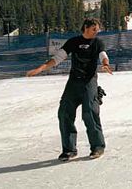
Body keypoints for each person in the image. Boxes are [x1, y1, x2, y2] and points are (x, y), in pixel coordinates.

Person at [26, 18, 112, 161]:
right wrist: (39, 69)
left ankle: (97, 147)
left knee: (89, 112)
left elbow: (103, 55)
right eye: (94, 29)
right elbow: (58, 58)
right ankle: (69, 150)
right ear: (85, 27)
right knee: (64, 112)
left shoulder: (98, 43)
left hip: (89, 82)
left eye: (97, 30)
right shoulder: (73, 42)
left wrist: (105, 64)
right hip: (73, 82)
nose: (96, 32)